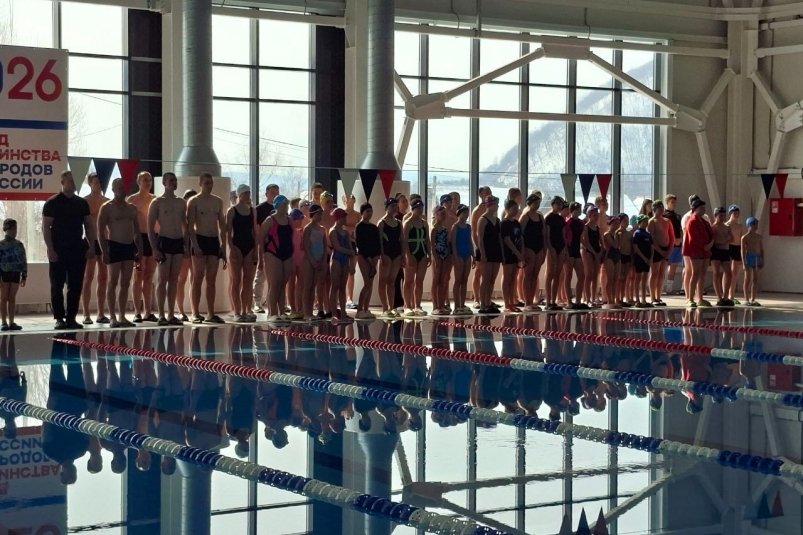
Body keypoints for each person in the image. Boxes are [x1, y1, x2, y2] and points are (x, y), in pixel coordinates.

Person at [43, 170, 97, 330]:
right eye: (70, 180)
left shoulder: (81, 203)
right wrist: (50, 249)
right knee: (57, 284)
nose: (74, 183)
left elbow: (89, 226)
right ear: (63, 182)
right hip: (58, 248)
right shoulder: (52, 202)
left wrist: (92, 246)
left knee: (75, 284)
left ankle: (71, 317)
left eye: (75, 181)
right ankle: (59, 318)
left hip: (77, 248)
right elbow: (46, 228)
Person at [98, 178, 143, 328]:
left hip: (128, 247)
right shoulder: (107, 207)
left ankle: (122, 316)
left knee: (125, 282)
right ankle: (112, 317)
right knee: (113, 282)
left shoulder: (132, 208)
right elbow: (100, 232)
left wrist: (140, 249)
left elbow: (137, 231)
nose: (122, 190)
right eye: (119, 188)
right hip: (114, 245)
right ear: (113, 189)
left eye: (124, 187)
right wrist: (104, 251)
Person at [147, 172, 188, 326]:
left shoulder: (181, 202)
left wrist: (186, 244)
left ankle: (171, 314)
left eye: (175, 180)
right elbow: (150, 228)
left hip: (178, 242)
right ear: (164, 183)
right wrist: (154, 248)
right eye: (171, 180)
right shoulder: (157, 202)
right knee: (162, 279)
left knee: (174, 279)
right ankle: (161, 315)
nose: (174, 182)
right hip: (164, 241)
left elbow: (185, 225)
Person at [187, 172, 227, 324]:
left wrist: (223, 245)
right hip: (200, 239)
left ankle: (211, 313)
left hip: (213, 241)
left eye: (211, 183)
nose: (209, 186)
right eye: (206, 183)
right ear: (200, 184)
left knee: (211, 279)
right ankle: (195, 313)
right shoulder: (194, 201)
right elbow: (190, 226)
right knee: (197, 277)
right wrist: (195, 245)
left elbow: (222, 226)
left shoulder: (218, 201)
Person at [127, 171, 157, 323]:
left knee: (149, 276)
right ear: (138, 182)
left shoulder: (155, 199)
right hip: (138, 238)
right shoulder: (132, 200)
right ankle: (137, 311)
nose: (148, 182)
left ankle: (148, 311)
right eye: (145, 180)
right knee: (138, 275)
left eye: (150, 180)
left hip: (152, 238)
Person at [80, 172, 110, 325]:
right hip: (90, 240)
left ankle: (100, 313)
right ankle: (86, 313)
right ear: (90, 183)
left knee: (103, 278)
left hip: (104, 241)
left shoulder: (107, 201)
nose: (98, 184)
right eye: (96, 182)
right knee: (88, 277)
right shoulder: (85, 201)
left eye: (100, 182)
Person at [226, 184, 258, 322]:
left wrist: (256, 249)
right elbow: (228, 233)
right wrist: (231, 249)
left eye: (249, 193)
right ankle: (237, 312)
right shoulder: (232, 211)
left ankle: (245, 310)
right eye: (245, 193)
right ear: (239, 195)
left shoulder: (252, 211)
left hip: (249, 246)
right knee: (236, 280)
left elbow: (254, 232)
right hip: (237, 246)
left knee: (248, 280)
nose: (248, 195)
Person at [260, 195, 294, 322]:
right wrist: (261, 258)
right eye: (285, 204)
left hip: (287, 253)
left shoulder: (289, 220)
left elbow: (291, 238)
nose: (287, 206)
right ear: (278, 205)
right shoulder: (270, 220)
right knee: (275, 283)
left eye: (287, 204)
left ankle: (282, 312)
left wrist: (292, 254)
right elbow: (261, 239)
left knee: (283, 284)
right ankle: (272, 313)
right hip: (272, 253)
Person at [253, 184, 279, 314]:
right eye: (272, 192)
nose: (274, 194)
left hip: (278, 246)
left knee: (277, 276)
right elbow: (257, 230)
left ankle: (276, 302)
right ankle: (257, 302)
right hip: (264, 244)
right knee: (261, 273)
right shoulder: (259, 209)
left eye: (276, 192)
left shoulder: (280, 209)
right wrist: (259, 248)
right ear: (266, 193)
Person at [402, 199, 430, 317]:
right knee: (408, 280)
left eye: (421, 208)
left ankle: (417, 305)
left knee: (419, 281)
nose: (420, 210)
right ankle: (407, 306)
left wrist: (429, 254)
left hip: (422, 253)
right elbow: (404, 241)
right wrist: (408, 255)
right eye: (418, 208)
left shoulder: (424, 223)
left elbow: (427, 240)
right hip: (412, 253)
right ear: (413, 209)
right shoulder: (408, 223)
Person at [683, 198, 713, 308]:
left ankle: (700, 298)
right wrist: (704, 246)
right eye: (701, 208)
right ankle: (690, 299)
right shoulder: (692, 221)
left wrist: (710, 244)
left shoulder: (705, 222)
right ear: (695, 209)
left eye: (704, 208)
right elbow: (693, 239)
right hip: (695, 251)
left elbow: (711, 234)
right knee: (695, 273)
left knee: (702, 275)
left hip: (705, 251)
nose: (703, 210)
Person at [476, 195, 502, 314]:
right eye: (496, 204)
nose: (497, 206)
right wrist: (483, 254)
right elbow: (480, 238)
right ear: (490, 205)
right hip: (485, 251)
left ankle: (488, 302)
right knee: (485, 279)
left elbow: (499, 238)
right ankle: (483, 304)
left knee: (492, 279)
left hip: (495, 251)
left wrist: (501, 253)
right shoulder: (482, 219)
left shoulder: (497, 220)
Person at [519, 193, 546, 311]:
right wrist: (522, 251)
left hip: (539, 248)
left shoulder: (540, 217)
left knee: (535, 275)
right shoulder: (525, 217)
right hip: (528, 248)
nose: (537, 205)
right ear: (529, 203)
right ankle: (527, 302)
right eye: (535, 203)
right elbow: (520, 236)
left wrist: (544, 250)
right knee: (528, 275)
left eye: (538, 203)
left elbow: (544, 234)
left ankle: (532, 301)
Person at [329, 208, 356, 320]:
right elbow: (337, 247)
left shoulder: (345, 232)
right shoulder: (333, 231)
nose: (345, 219)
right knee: (335, 286)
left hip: (345, 260)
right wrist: (350, 252)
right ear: (338, 218)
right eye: (344, 217)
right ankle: (334, 313)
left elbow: (350, 248)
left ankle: (343, 312)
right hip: (336, 260)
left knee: (342, 287)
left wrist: (351, 264)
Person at [302, 204, 327, 321]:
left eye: (321, 214)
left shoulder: (322, 229)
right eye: (318, 214)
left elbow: (324, 246)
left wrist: (323, 261)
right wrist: (312, 261)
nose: (320, 216)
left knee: (313, 287)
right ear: (313, 215)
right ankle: (306, 313)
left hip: (319, 260)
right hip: (309, 260)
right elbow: (306, 247)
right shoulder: (308, 228)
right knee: (308, 286)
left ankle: (311, 313)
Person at [378, 198, 402, 318]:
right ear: (386, 208)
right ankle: (385, 307)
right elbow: (379, 241)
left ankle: (391, 307)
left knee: (392, 282)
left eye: (396, 206)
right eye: (392, 206)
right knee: (383, 281)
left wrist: (403, 255)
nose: (395, 208)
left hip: (396, 253)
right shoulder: (381, 223)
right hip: (386, 253)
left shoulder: (399, 223)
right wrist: (381, 255)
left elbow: (401, 240)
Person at [355, 203, 380, 320]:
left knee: (370, 285)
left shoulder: (374, 228)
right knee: (367, 284)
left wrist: (375, 259)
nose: (369, 213)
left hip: (373, 258)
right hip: (363, 257)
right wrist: (370, 260)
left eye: (371, 211)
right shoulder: (359, 226)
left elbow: (377, 244)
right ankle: (359, 309)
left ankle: (366, 309)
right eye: (367, 211)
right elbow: (361, 245)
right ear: (362, 213)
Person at [0, 219, 26, 330]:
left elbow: (23, 261)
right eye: (12, 229)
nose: (14, 231)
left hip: (16, 273)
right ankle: (3, 322)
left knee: (12, 298)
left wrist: (24, 276)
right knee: (3, 297)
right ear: (7, 229)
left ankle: (11, 322)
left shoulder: (19, 245)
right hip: (4, 273)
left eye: (15, 228)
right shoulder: (1, 245)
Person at [500, 199, 524, 313]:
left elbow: (520, 238)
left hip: (516, 253)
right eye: (514, 209)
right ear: (507, 209)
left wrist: (521, 252)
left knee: (513, 279)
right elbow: (507, 240)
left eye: (517, 209)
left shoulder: (516, 223)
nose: (516, 211)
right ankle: (507, 303)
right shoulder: (504, 223)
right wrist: (518, 253)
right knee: (507, 278)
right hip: (508, 253)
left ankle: (512, 301)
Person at [176, 189, 197, 321]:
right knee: (181, 279)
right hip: (183, 246)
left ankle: (195, 311)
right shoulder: (180, 214)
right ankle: (181, 311)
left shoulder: (196, 213)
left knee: (195, 279)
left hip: (194, 245)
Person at [544, 196, 567, 311]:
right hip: (552, 247)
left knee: (558, 274)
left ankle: (554, 300)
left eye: (561, 204)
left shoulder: (561, 219)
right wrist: (550, 248)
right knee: (550, 274)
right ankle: (548, 301)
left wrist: (564, 248)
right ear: (552, 204)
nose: (559, 206)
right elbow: (547, 235)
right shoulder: (548, 217)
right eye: (557, 204)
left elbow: (563, 235)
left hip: (560, 247)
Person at [471, 186, 492, 308]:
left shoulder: (491, 208)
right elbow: (474, 231)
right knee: (479, 271)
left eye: (490, 192)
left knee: (488, 273)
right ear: (480, 195)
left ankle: (487, 298)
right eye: (486, 193)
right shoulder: (477, 210)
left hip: (490, 244)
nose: (489, 194)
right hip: (479, 244)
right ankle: (476, 298)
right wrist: (478, 246)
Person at [449, 204, 473, 315]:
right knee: (458, 280)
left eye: (467, 213)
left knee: (465, 280)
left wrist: (473, 255)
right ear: (459, 214)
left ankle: (462, 304)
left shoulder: (468, 227)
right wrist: (455, 257)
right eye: (464, 213)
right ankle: (456, 305)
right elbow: (453, 243)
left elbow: (469, 241)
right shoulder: (455, 227)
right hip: (458, 255)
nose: (466, 215)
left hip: (467, 255)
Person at [647, 201, 672, 306]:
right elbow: (651, 239)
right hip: (656, 250)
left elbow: (670, 236)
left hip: (665, 249)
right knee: (654, 273)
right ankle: (653, 297)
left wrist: (669, 250)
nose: (662, 210)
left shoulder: (667, 221)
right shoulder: (652, 221)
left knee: (662, 273)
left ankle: (658, 296)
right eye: (659, 209)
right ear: (654, 210)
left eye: (662, 208)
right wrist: (659, 250)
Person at [710, 206, 734, 307]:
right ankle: (719, 297)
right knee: (716, 273)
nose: (722, 218)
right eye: (720, 216)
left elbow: (732, 238)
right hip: (715, 251)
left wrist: (723, 241)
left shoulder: (727, 227)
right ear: (715, 216)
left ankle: (725, 296)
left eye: (723, 216)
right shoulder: (713, 227)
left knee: (729, 273)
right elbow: (713, 240)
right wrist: (723, 240)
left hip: (725, 251)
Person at [430, 205, 452, 315]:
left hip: (445, 255)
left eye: (444, 214)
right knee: (436, 280)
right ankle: (435, 306)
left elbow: (447, 244)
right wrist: (435, 257)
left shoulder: (444, 229)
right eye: (441, 214)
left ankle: (441, 305)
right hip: (437, 255)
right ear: (436, 215)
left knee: (444, 280)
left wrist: (448, 256)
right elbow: (432, 245)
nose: (444, 216)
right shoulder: (434, 229)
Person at [582, 205, 603, 307]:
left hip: (597, 252)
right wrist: (595, 253)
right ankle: (587, 299)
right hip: (588, 252)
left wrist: (601, 251)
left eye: (597, 215)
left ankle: (594, 298)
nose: (596, 217)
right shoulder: (586, 227)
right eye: (594, 215)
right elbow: (586, 243)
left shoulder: (597, 228)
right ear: (589, 216)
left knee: (595, 276)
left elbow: (601, 242)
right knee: (589, 275)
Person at [342, 194, 361, 310]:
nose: (350, 199)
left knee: (351, 271)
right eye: (347, 197)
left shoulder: (358, 215)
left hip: (354, 244)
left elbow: (360, 230)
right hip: (343, 244)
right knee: (343, 271)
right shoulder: (341, 214)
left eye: (352, 197)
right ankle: (342, 297)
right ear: (344, 200)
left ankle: (350, 298)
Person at [288, 208, 306, 320]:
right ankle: (293, 309)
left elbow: (303, 247)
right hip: (291, 259)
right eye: (300, 219)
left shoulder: (301, 232)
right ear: (294, 220)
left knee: (301, 284)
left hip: (300, 260)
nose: (301, 221)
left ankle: (300, 308)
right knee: (291, 284)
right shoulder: (289, 232)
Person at [663, 194, 683, 294]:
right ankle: (661, 287)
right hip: (669, 244)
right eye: (672, 202)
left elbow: (680, 229)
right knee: (664, 266)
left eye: (675, 202)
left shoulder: (677, 216)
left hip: (678, 244)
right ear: (667, 203)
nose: (674, 204)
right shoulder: (664, 216)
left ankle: (669, 288)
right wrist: (672, 240)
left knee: (674, 267)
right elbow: (665, 231)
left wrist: (680, 239)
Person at [632, 215, 653, 308]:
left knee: (644, 279)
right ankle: (637, 300)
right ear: (639, 222)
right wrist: (644, 258)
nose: (646, 223)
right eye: (644, 222)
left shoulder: (648, 234)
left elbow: (652, 247)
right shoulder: (637, 233)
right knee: (638, 279)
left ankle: (644, 300)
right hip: (640, 258)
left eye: (646, 222)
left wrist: (651, 258)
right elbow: (636, 248)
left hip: (647, 259)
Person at [742, 217, 763, 307]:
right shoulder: (745, 237)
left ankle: (753, 299)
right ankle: (746, 299)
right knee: (747, 279)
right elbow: (742, 251)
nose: (756, 226)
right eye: (754, 224)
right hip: (749, 257)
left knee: (755, 279)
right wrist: (744, 263)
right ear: (749, 225)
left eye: (757, 225)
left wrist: (762, 259)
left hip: (756, 257)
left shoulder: (759, 237)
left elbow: (761, 249)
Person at [726, 205, 744, 304]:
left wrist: (742, 253)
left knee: (735, 273)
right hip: (729, 247)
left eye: (737, 213)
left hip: (737, 248)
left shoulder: (740, 226)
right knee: (727, 272)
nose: (736, 215)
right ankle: (725, 294)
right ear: (730, 214)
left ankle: (731, 295)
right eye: (734, 213)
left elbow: (741, 239)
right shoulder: (726, 225)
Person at [601, 216, 620, 308]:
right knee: (610, 279)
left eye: (618, 223)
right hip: (609, 257)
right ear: (610, 224)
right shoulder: (607, 234)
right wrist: (616, 235)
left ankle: (614, 299)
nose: (617, 225)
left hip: (617, 256)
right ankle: (609, 300)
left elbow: (619, 246)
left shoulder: (618, 234)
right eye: (615, 223)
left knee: (616, 280)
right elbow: (615, 245)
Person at [617, 213, 634, 307]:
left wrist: (632, 258)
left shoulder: (629, 234)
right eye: (624, 221)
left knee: (625, 278)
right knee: (620, 278)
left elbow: (631, 247)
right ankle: (617, 298)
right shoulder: (617, 232)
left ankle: (622, 298)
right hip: (620, 256)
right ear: (620, 222)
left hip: (627, 256)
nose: (626, 223)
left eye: (627, 221)